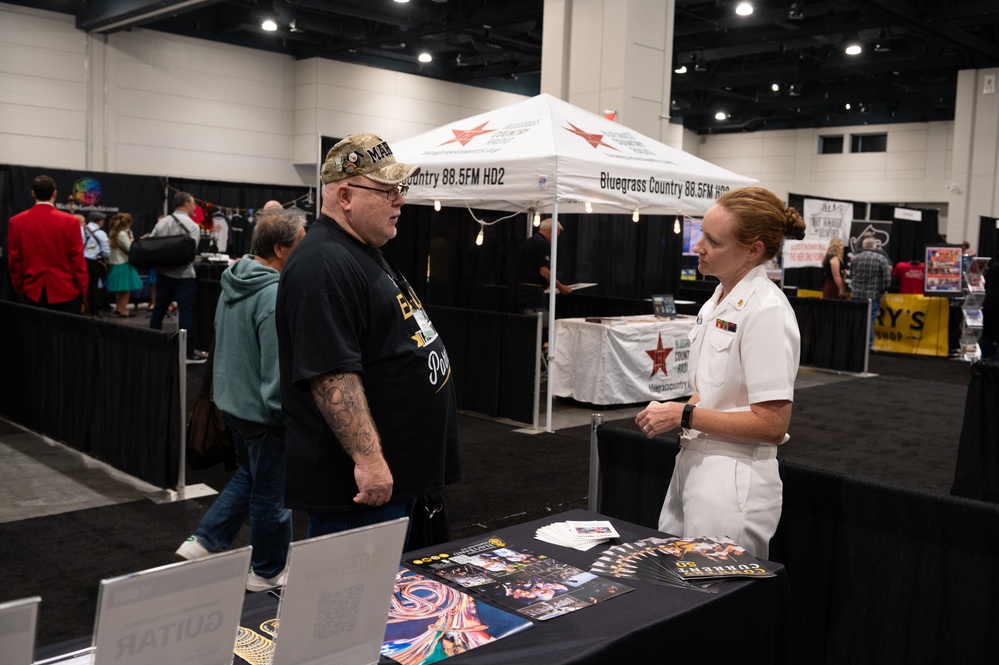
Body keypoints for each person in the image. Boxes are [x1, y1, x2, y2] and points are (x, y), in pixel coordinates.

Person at [275, 132, 460, 542]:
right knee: (353, 604)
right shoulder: (322, 264)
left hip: (402, 480)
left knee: (407, 602)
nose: (400, 200)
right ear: (345, 196)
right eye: (387, 190)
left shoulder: (359, 249)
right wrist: (370, 460)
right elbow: (331, 374)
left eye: (400, 188)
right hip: (363, 494)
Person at [635, 186, 806, 559]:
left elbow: (772, 424)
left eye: (712, 240)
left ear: (753, 250)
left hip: (733, 477)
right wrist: (680, 411)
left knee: (714, 598)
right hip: (694, 462)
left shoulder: (766, 312)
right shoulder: (718, 299)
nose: (698, 247)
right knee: (674, 586)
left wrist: (683, 413)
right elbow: (713, 390)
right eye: (701, 234)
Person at [176, 209, 306, 592]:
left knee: (251, 477)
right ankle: (267, 571)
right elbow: (275, 366)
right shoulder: (272, 293)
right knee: (272, 493)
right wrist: (283, 412)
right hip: (263, 413)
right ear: (282, 249)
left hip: (233, 404)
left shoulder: (233, 280)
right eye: (301, 239)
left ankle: (205, 541)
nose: (306, 246)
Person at [7, 175, 88, 313]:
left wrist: (20, 285)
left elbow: (15, 259)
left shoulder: (16, 221)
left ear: (33, 193)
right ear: (55, 193)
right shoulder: (70, 222)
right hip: (65, 290)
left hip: (31, 290)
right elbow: (77, 257)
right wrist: (83, 287)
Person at [148, 191, 204, 363]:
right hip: (184, 277)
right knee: (185, 315)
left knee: (158, 312)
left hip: (163, 275)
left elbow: (151, 246)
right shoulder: (193, 226)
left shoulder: (161, 223)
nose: (194, 207)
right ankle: (187, 352)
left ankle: (152, 345)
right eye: (193, 203)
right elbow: (190, 254)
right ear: (186, 204)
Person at [517, 218, 572, 314]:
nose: (555, 239)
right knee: (540, 321)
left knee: (526, 320)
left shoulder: (527, 242)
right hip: (535, 294)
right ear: (552, 231)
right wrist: (560, 287)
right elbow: (544, 271)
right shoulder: (543, 244)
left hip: (522, 291)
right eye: (556, 235)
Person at [850, 236, 892, 348]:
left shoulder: (855, 259)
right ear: (874, 246)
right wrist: (882, 290)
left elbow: (851, 275)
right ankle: (867, 346)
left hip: (856, 295)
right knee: (870, 321)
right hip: (872, 296)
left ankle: (855, 345)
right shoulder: (881, 259)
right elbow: (887, 279)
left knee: (857, 320)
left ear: (863, 246)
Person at [105, 212, 144, 316]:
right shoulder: (122, 234)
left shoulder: (113, 232)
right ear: (127, 224)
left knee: (119, 289)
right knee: (126, 289)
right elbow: (130, 248)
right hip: (124, 263)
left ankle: (118, 307)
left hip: (115, 263)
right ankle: (123, 310)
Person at [82, 211, 111, 316]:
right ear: (100, 221)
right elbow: (106, 251)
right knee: (94, 288)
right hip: (94, 262)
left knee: (82, 286)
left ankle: (83, 309)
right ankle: (94, 312)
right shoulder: (101, 233)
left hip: (81, 261)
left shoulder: (82, 229)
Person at [980, 258, 999, 361]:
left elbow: (985, 285)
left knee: (987, 334)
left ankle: (983, 360)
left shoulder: (993, 267)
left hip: (989, 303)